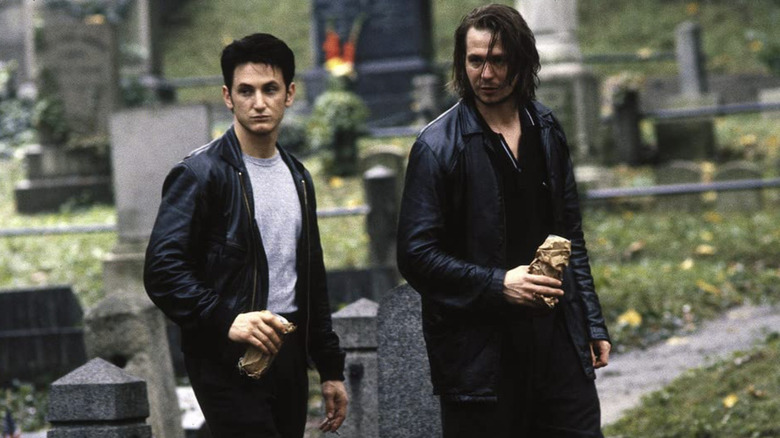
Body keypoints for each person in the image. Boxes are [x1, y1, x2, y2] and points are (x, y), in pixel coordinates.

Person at [397, 4, 611, 437]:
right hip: (480, 357)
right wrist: (498, 284)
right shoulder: (437, 146)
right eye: (475, 61)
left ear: (521, 61)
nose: (486, 74)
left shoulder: (545, 127)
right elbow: (415, 255)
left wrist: (590, 321)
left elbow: (569, 233)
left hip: (556, 343)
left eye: (498, 61)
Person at [144, 33, 347, 438]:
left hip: (288, 350)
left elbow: (311, 278)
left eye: (270, 89)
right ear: (227, 97)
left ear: (289, 94)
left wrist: (330, 369)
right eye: (246, 91)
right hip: (226, 354)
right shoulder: (200, 174)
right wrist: (225, 319)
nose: (258, 102)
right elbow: (162, 271)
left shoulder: (298, 176)